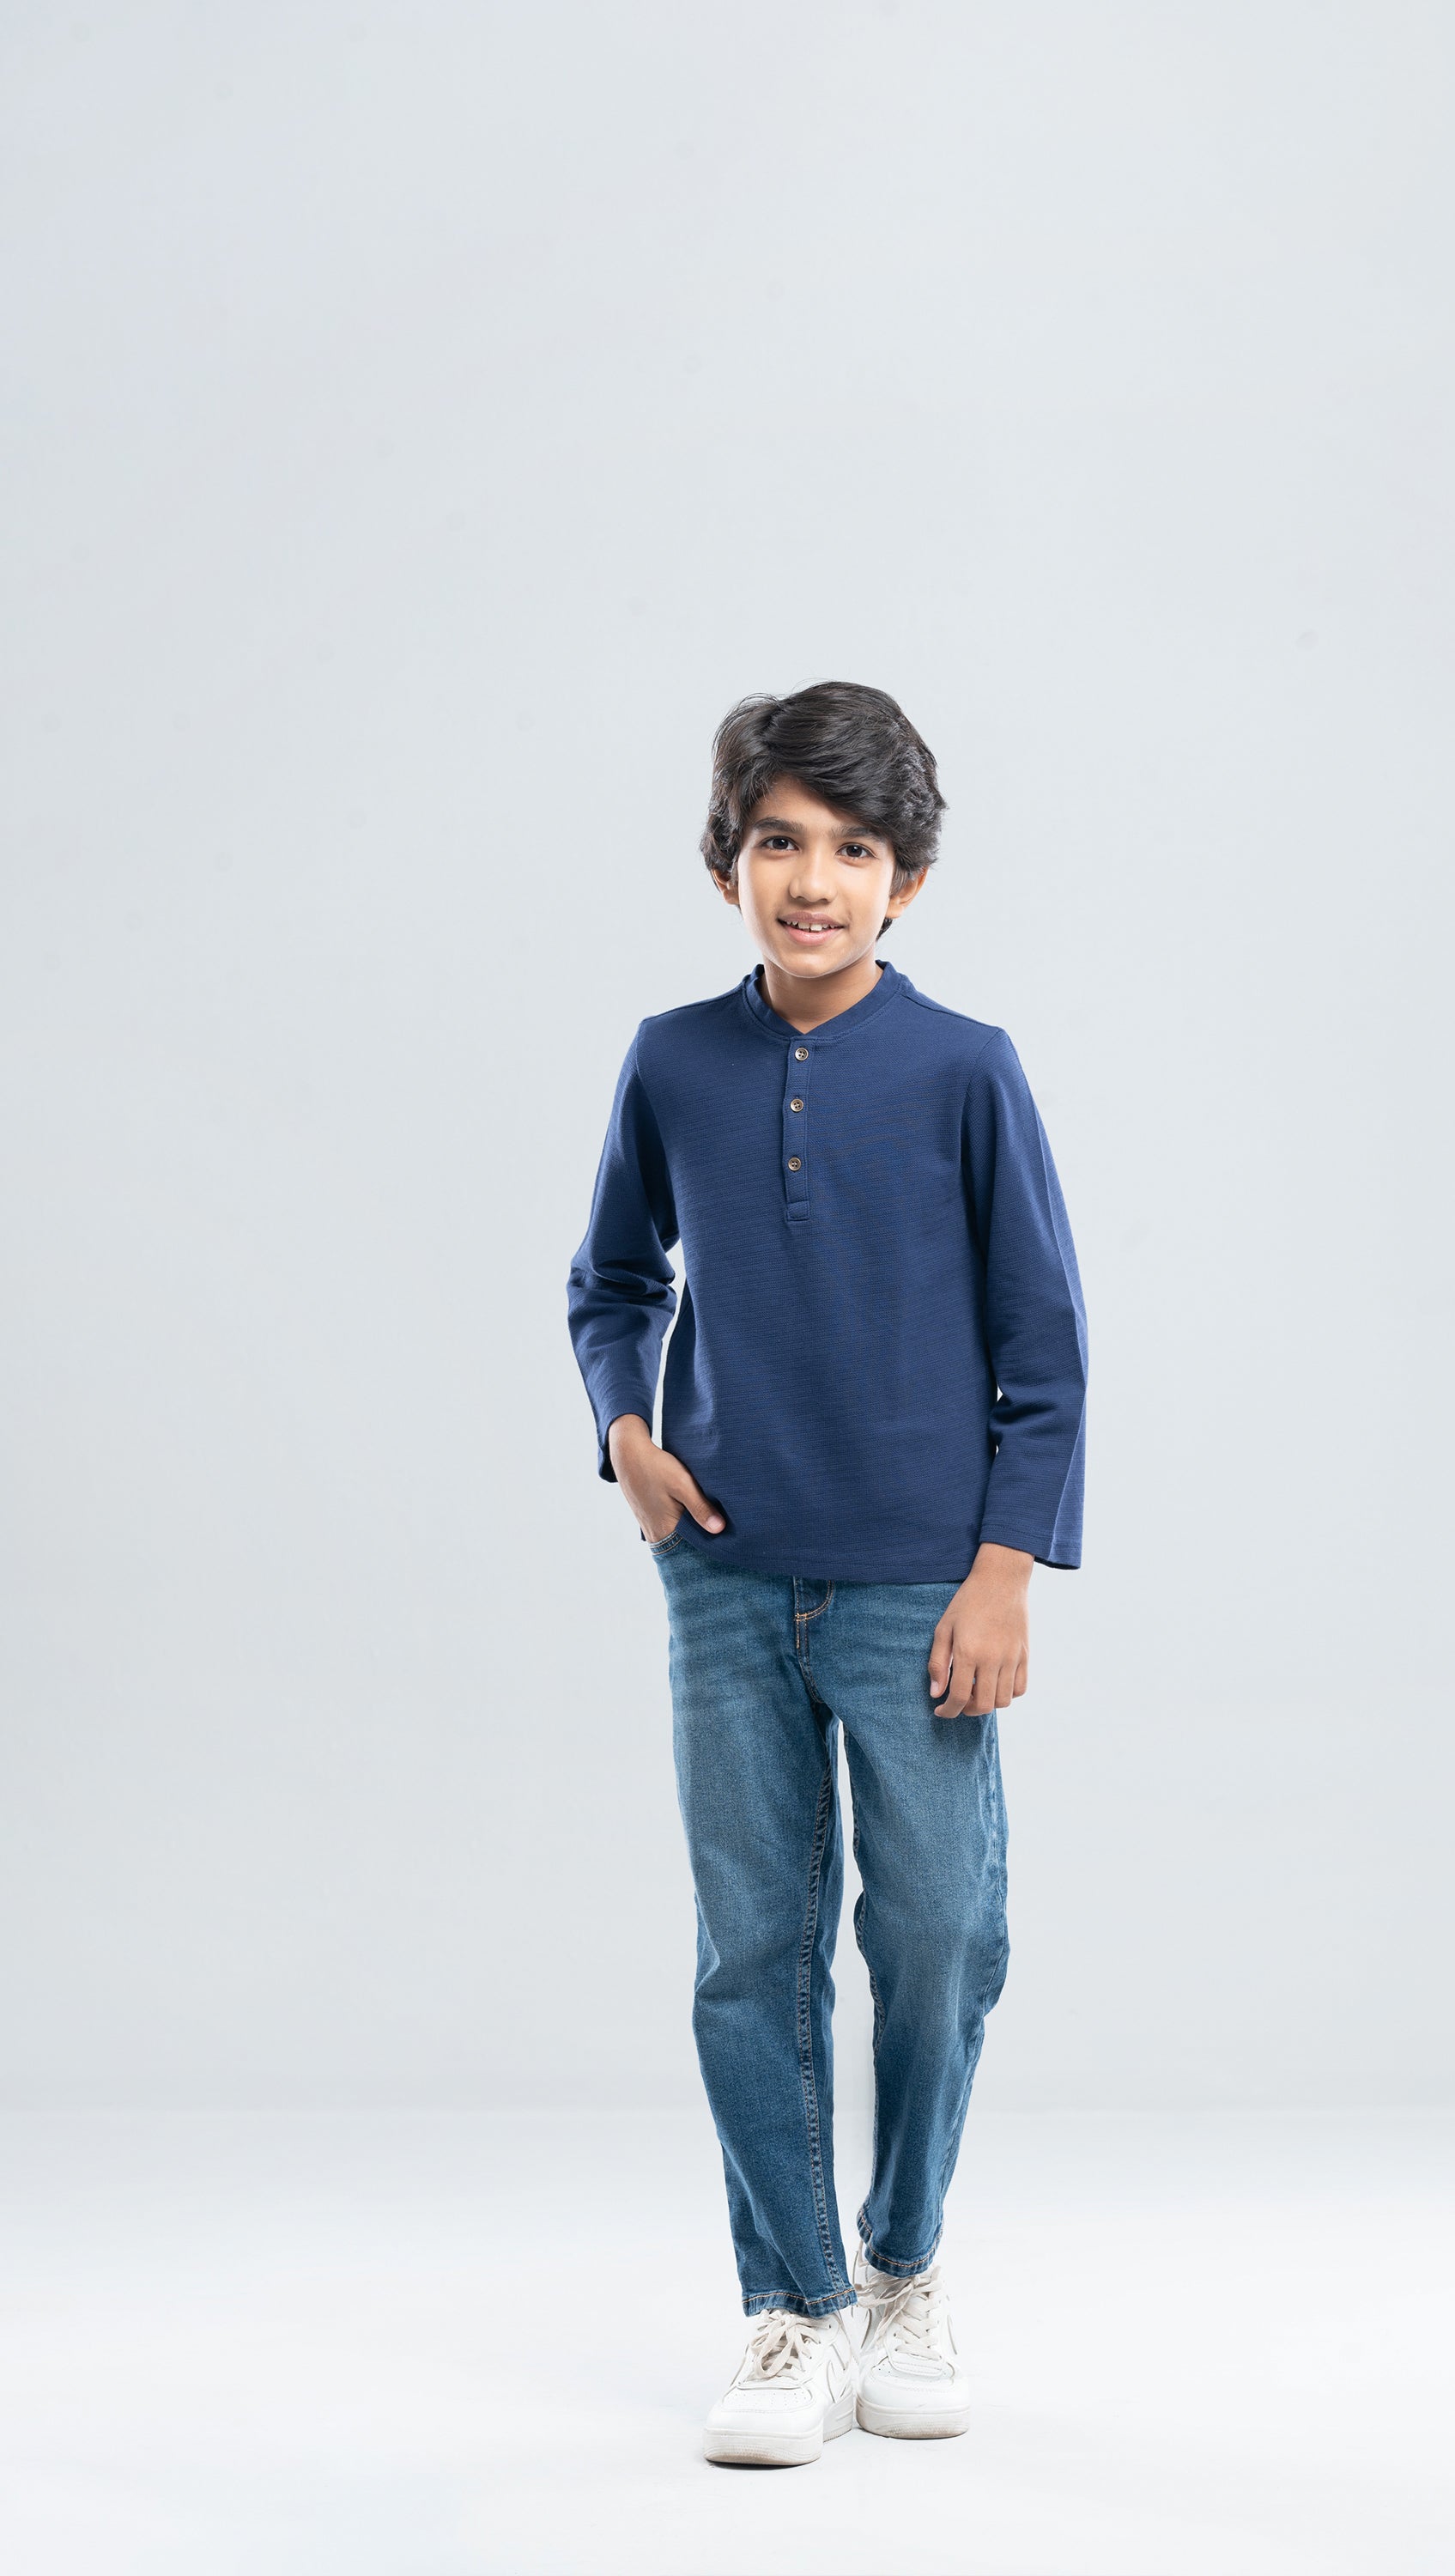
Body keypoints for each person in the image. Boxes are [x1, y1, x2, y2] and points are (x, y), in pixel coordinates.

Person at [566, 680, 1087, 2466]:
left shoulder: (966, 1070)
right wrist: (628, 1438)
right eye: (780, 842)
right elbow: (610, 1279)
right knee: (754, 1950)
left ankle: (903, 2264)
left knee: (940, 1932)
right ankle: (790, 2306)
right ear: (729, 860)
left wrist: (1003, 1572)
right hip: (722, 1583)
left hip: (919, 1587)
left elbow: (1043, 1348)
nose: (813, 882)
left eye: (854, 850)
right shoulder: (671, 1059)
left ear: (904, 881)